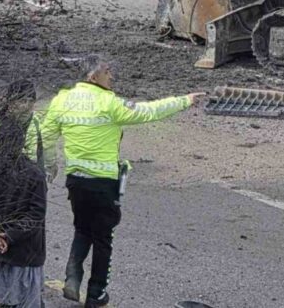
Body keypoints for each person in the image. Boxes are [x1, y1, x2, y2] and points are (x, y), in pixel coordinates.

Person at [36, 54, 205, 308]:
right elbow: (148, 111)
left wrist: (49, 167)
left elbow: (46, 137)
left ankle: (72, 277)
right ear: (93, 76)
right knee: (103, 237)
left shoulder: (62, 100)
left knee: (82, 228)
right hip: (103, 182)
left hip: (76, 180)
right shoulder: (108, 103)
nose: (111, 76)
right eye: (106, 71)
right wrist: (184, 100)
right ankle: (97, 293)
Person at [0, 85, 47, 308]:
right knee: (0, 260)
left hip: (17, 209)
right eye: (21, 101)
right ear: (9, 102)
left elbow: (40, 156)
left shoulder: (33, 125)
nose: (25, 106)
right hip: (3, 206)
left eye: (29, 101)